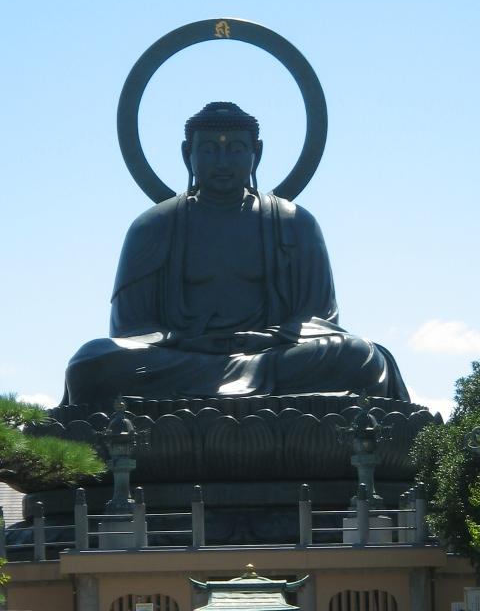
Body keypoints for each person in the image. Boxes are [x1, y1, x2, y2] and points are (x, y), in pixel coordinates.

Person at [64, 102, 409, 409]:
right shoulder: (153, 226)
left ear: (257, 152)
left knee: (361, 357)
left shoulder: (295, 223)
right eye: (209, 150)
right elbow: (130, 329)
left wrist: (269, 338)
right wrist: (188, 342)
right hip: (183, 360)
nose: (223, 161)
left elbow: (318, 318)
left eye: (236, 149)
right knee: (91, 362)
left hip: (272, 357)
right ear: (187, 154)